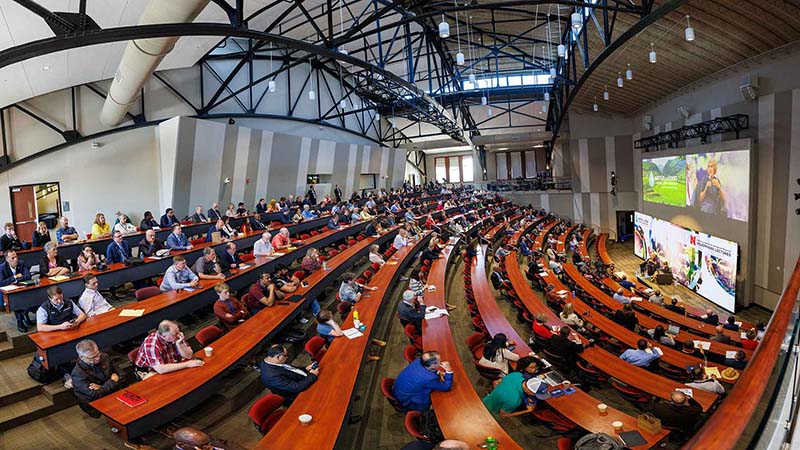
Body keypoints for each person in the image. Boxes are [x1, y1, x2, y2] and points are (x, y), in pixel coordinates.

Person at [71, 339, 123, 417]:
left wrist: (102, 387)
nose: (97, 358)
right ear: (81, 357)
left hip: (112, 391)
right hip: (95, 402)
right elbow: (95, 395)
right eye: (92, 357)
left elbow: (122, 375)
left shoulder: (104, 357)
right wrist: (112, 381)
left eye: (98, 354)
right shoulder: (78, 374)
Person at [135, 320, 204, 375]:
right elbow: (161, 369)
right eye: (175, 334)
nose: (179, 335)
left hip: (170, 362)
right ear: (164, 336)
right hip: (149, 370)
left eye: (178, 331)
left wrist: (179, 344)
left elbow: (189, 355)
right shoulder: (151, 344)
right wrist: (187, 364)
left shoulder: (176, 335)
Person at [0, 251, 34, 331]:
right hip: (7, 292)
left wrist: (14, 281)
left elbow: (28, 276)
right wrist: (15, 277)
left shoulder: (21, 263)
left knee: (30, 295)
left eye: (16, 257)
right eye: (13, 258)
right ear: (7, 259)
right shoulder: (2, 268)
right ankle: (20, 322)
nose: (16, 259)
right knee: (16, 300)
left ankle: (26, 316)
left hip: (20, 288)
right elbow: (1, 283)